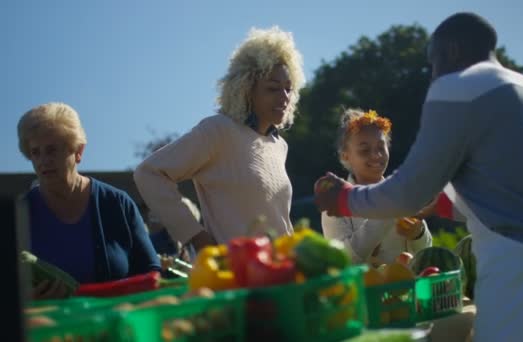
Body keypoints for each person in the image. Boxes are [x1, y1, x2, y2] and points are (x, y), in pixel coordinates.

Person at [314, 12, 523, 341]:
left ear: (450, 52)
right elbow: (508, 189)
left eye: (432, 64)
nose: (433, 75)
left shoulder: (459, 86)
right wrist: (439, 205)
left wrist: (343, 198)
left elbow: (409, 190)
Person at [134, 26, 305, 251]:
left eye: (288, 89)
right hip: (234, 277)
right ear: (246, 90)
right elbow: (149, 173)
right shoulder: (218, 130)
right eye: (273, 88)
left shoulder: (279, 146)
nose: (284, 97)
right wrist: (195, 236)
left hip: (283, 273)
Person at [16, 102, 161, 300]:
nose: (43, 160)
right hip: (47, 326)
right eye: (35, 152)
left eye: (52, 150)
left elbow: (151, 273)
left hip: (118, 322)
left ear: (78, 152)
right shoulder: (19, 214)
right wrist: (22, 298)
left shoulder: (117, 203)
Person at [321, 108, 432, 266]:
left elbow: (426, 253)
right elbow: (343, 260)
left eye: (381, 147)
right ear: (345, 156)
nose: (376, 155)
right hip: (365, 289)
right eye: (365, 150)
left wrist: (418, 234)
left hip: (408, 287)